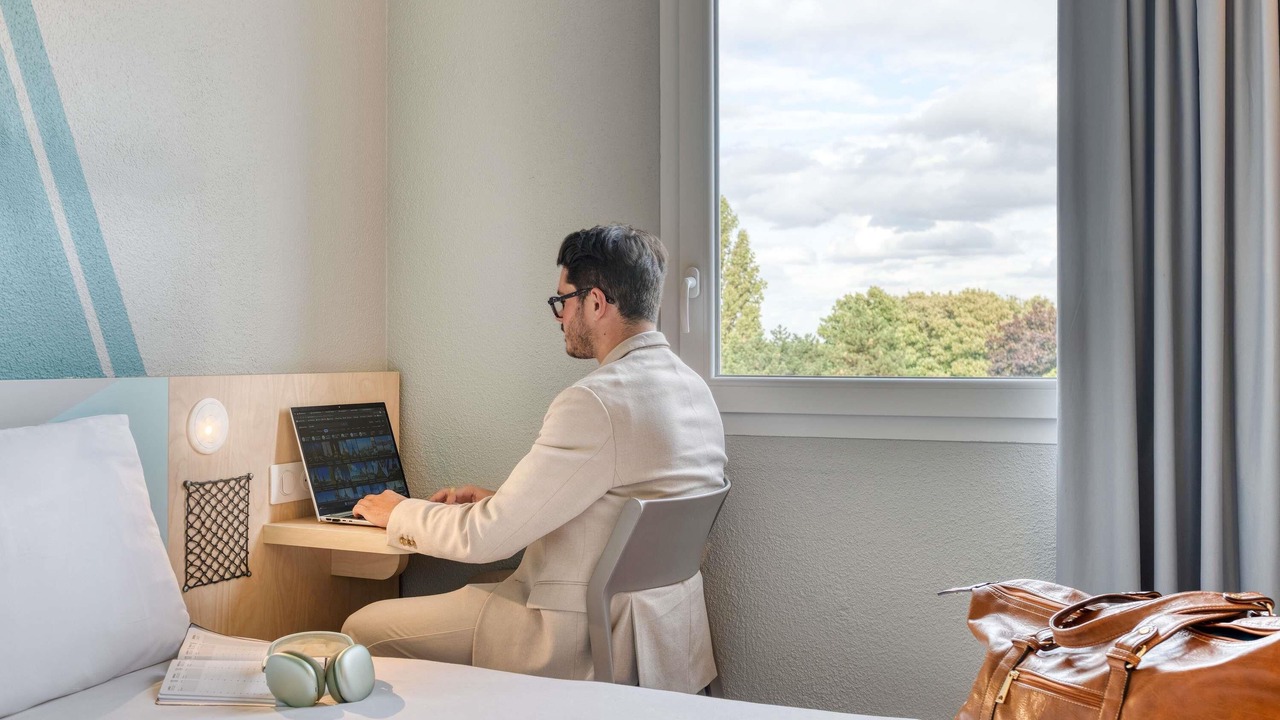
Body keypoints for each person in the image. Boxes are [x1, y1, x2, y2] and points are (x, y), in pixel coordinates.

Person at [343, 224, 727, 693]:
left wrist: (398, 511)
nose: (558, 316)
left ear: (596, 302)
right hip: (662, 629)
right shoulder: (693, 391)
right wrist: (505, 499)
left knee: (361, 629)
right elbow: (621, 507)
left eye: (562, 300)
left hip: (573, 633)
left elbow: (486, 537)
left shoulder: (595, 402)